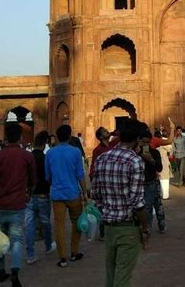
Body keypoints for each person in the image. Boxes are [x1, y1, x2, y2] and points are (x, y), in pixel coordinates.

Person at [91, 118, 150, 287]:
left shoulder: (102, 158)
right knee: (122, 277)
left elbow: (95, 194)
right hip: (128, 227)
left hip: (109, 227)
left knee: (111, 273)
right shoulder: (134, 161)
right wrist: (145, 228)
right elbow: (137, 202)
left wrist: (108, 209)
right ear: (137, 139)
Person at [0, 124, 36, 287]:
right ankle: (15, 271)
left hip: (0, 205)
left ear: (6, 137)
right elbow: (33, 180)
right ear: (21, 136)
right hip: (17, 205)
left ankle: (1, 272)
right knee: (16, 240)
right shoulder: (26, 156)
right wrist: (28, 193)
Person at [45, 124, 87, 267]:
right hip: (73, 193)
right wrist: (85, 192)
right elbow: (80, 174)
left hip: (57, 194)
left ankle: (62, 258)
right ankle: (74, 252)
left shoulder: (50, 153)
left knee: (59, 226)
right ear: (70, 136)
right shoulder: (75, 152)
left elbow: (48, 176)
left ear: (56, 137)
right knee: (77, 223)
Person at [25, 131, 56, 264]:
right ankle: (48, 246)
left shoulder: (28, 157)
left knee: (29, 225)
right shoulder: (45, 158)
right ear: (44, 144)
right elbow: (50, 177)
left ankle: (30, 255)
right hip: (43, 194)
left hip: (29, 196)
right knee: (45, 222)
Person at [137, 130, 164, 234]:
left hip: (152, 181)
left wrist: (151, 159)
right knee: (145, 206)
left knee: (157, 205)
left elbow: (159, 168)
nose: (145, 144)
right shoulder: (136, 154)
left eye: (147, 142)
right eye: (142, 142)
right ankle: (147, 228)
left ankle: (160, 225)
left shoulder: (154, 153)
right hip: (141, 183)